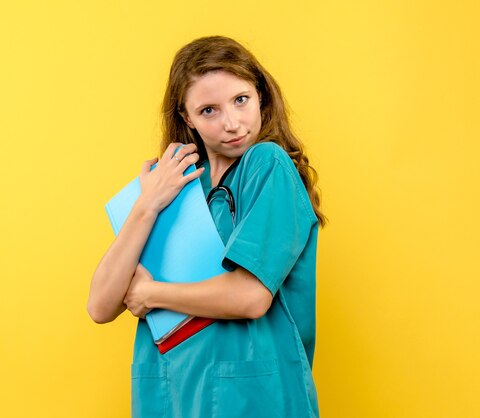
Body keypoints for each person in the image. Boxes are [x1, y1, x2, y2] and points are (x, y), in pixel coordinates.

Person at [87, 35, 326, 418]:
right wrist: (147, 204)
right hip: (173, 394)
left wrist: (151, 293)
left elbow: (250, 297)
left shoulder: (267, 165)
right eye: (208, 111)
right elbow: (100, 305)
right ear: (187, 118)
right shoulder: (175, 182)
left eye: (241, 100)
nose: (232, 123)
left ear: (260, 95)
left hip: (251, 398)